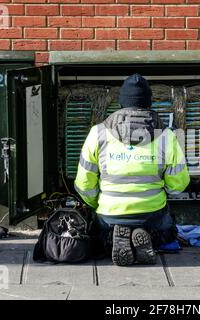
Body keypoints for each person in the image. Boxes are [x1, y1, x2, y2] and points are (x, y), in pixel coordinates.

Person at [75, 74, 190, 266]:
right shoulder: (166, 136)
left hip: (109, 213)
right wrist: (164, 192)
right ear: (148, 103)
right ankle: (147, 237)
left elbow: (84, 183)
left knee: (100, 232)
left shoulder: (98, 133)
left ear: (121, 103)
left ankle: (113, 238)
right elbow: (179, 185)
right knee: (167, 230)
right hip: (151, 212)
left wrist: (98, 203)